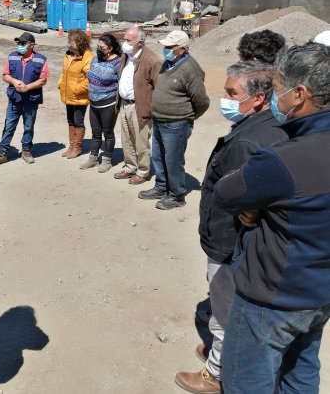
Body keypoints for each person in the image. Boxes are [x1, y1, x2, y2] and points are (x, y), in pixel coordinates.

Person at [213, 42, 330, 393]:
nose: (275, 98)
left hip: (273, 296)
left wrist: (259, 206)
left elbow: (226, 193)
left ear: (299, 94)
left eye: (278, 90)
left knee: (247, 380)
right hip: (319, 294)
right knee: (301, 371)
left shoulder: (283, 159)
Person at [174, 60, 288, 394]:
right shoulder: (262, 126)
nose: (224, 98)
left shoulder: (246, 142)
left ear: (259, 98)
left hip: (229, 241)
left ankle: (216, 374)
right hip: (235, 239)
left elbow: (237, 196)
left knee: (224, 308)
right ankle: (221, 355)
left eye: (231, 93)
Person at [139, 30, 209, 209]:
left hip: (177, 124)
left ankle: (177, 195)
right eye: (165, 47)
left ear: (181, 50)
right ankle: (162, 187)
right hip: (160, 121)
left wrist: (187, 118)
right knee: (159, 157)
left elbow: (201, 101)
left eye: (170, 47)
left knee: (173, 160)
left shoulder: (191, 69)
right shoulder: (168, 62)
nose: (165, 49)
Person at [0, 32, 49, 166]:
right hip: (14, 99)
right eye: (18, 43)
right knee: (8, 127)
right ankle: (2, 153)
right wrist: (15, 82)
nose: (19, 46)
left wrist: (28, 87)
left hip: (31, 100)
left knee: (28, 127)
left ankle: (26, 151)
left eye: (22, 43)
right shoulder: (12, 57)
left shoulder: (41, 59)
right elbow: (5, 75)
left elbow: (43, 80)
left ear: (31, 45)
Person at [113, 27, 162, 184]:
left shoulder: (152, 60)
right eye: (124, 39)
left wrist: (151, 109)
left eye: (128, 40)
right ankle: (130, 167)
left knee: (141, 141)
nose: (124, 43)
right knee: (126, 139)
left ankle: (142, 171)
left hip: (140, 107)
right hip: (124, 104)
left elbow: (158, 87)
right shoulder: (126, 55)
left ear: (139, 43)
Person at [80, 33, 122, 172]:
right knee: (96, 132)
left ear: (109, 48)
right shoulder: (95, 59)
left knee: (108, 132)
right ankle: (92, 158)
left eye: (101, 47)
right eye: (97, 46)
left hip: (108, 103)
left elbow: (122, 82)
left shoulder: (118, 63)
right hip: (93, 102)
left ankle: (107, 160)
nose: (98, 49)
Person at [58, 29, 93, 160]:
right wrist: (61, 84)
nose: (68, 42)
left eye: (71, 40)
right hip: (68, 94)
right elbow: (63, 72)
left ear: (78, 42)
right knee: (70, 120)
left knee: (78, 121)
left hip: (79, 96)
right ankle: (71, 146)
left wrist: (77, 89)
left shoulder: (87, 57)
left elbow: (90, 78)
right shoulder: (68, 54)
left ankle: (77, 147)